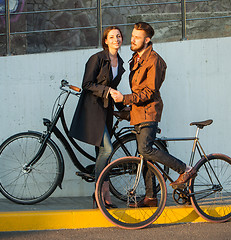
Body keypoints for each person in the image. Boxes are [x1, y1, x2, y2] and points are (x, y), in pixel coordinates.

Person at [110, 22, 197, 207]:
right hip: (139, 113)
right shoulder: (136, 58)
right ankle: (151, 197)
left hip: (149, 112)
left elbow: (149, 92)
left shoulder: (154, 60)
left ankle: (186, 169)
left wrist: (124, 98)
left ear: (147, 40)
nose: (132, 40)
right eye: (132, 36)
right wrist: (126, 109)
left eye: (137, 37)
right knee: (145, 157)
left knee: (145, 150)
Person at [69, 26, 125, 208]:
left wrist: (124, 107)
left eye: (118, 36)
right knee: (107, 150)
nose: (116, 39)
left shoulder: (121, 62)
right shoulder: (97, 59)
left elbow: (114, 91)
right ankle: (100, 192)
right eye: (112, 37)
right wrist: (107, 90)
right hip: (92, 112)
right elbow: (87, 84)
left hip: (106, 113)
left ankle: (102, 196)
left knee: (104, 154)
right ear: (105, 41)